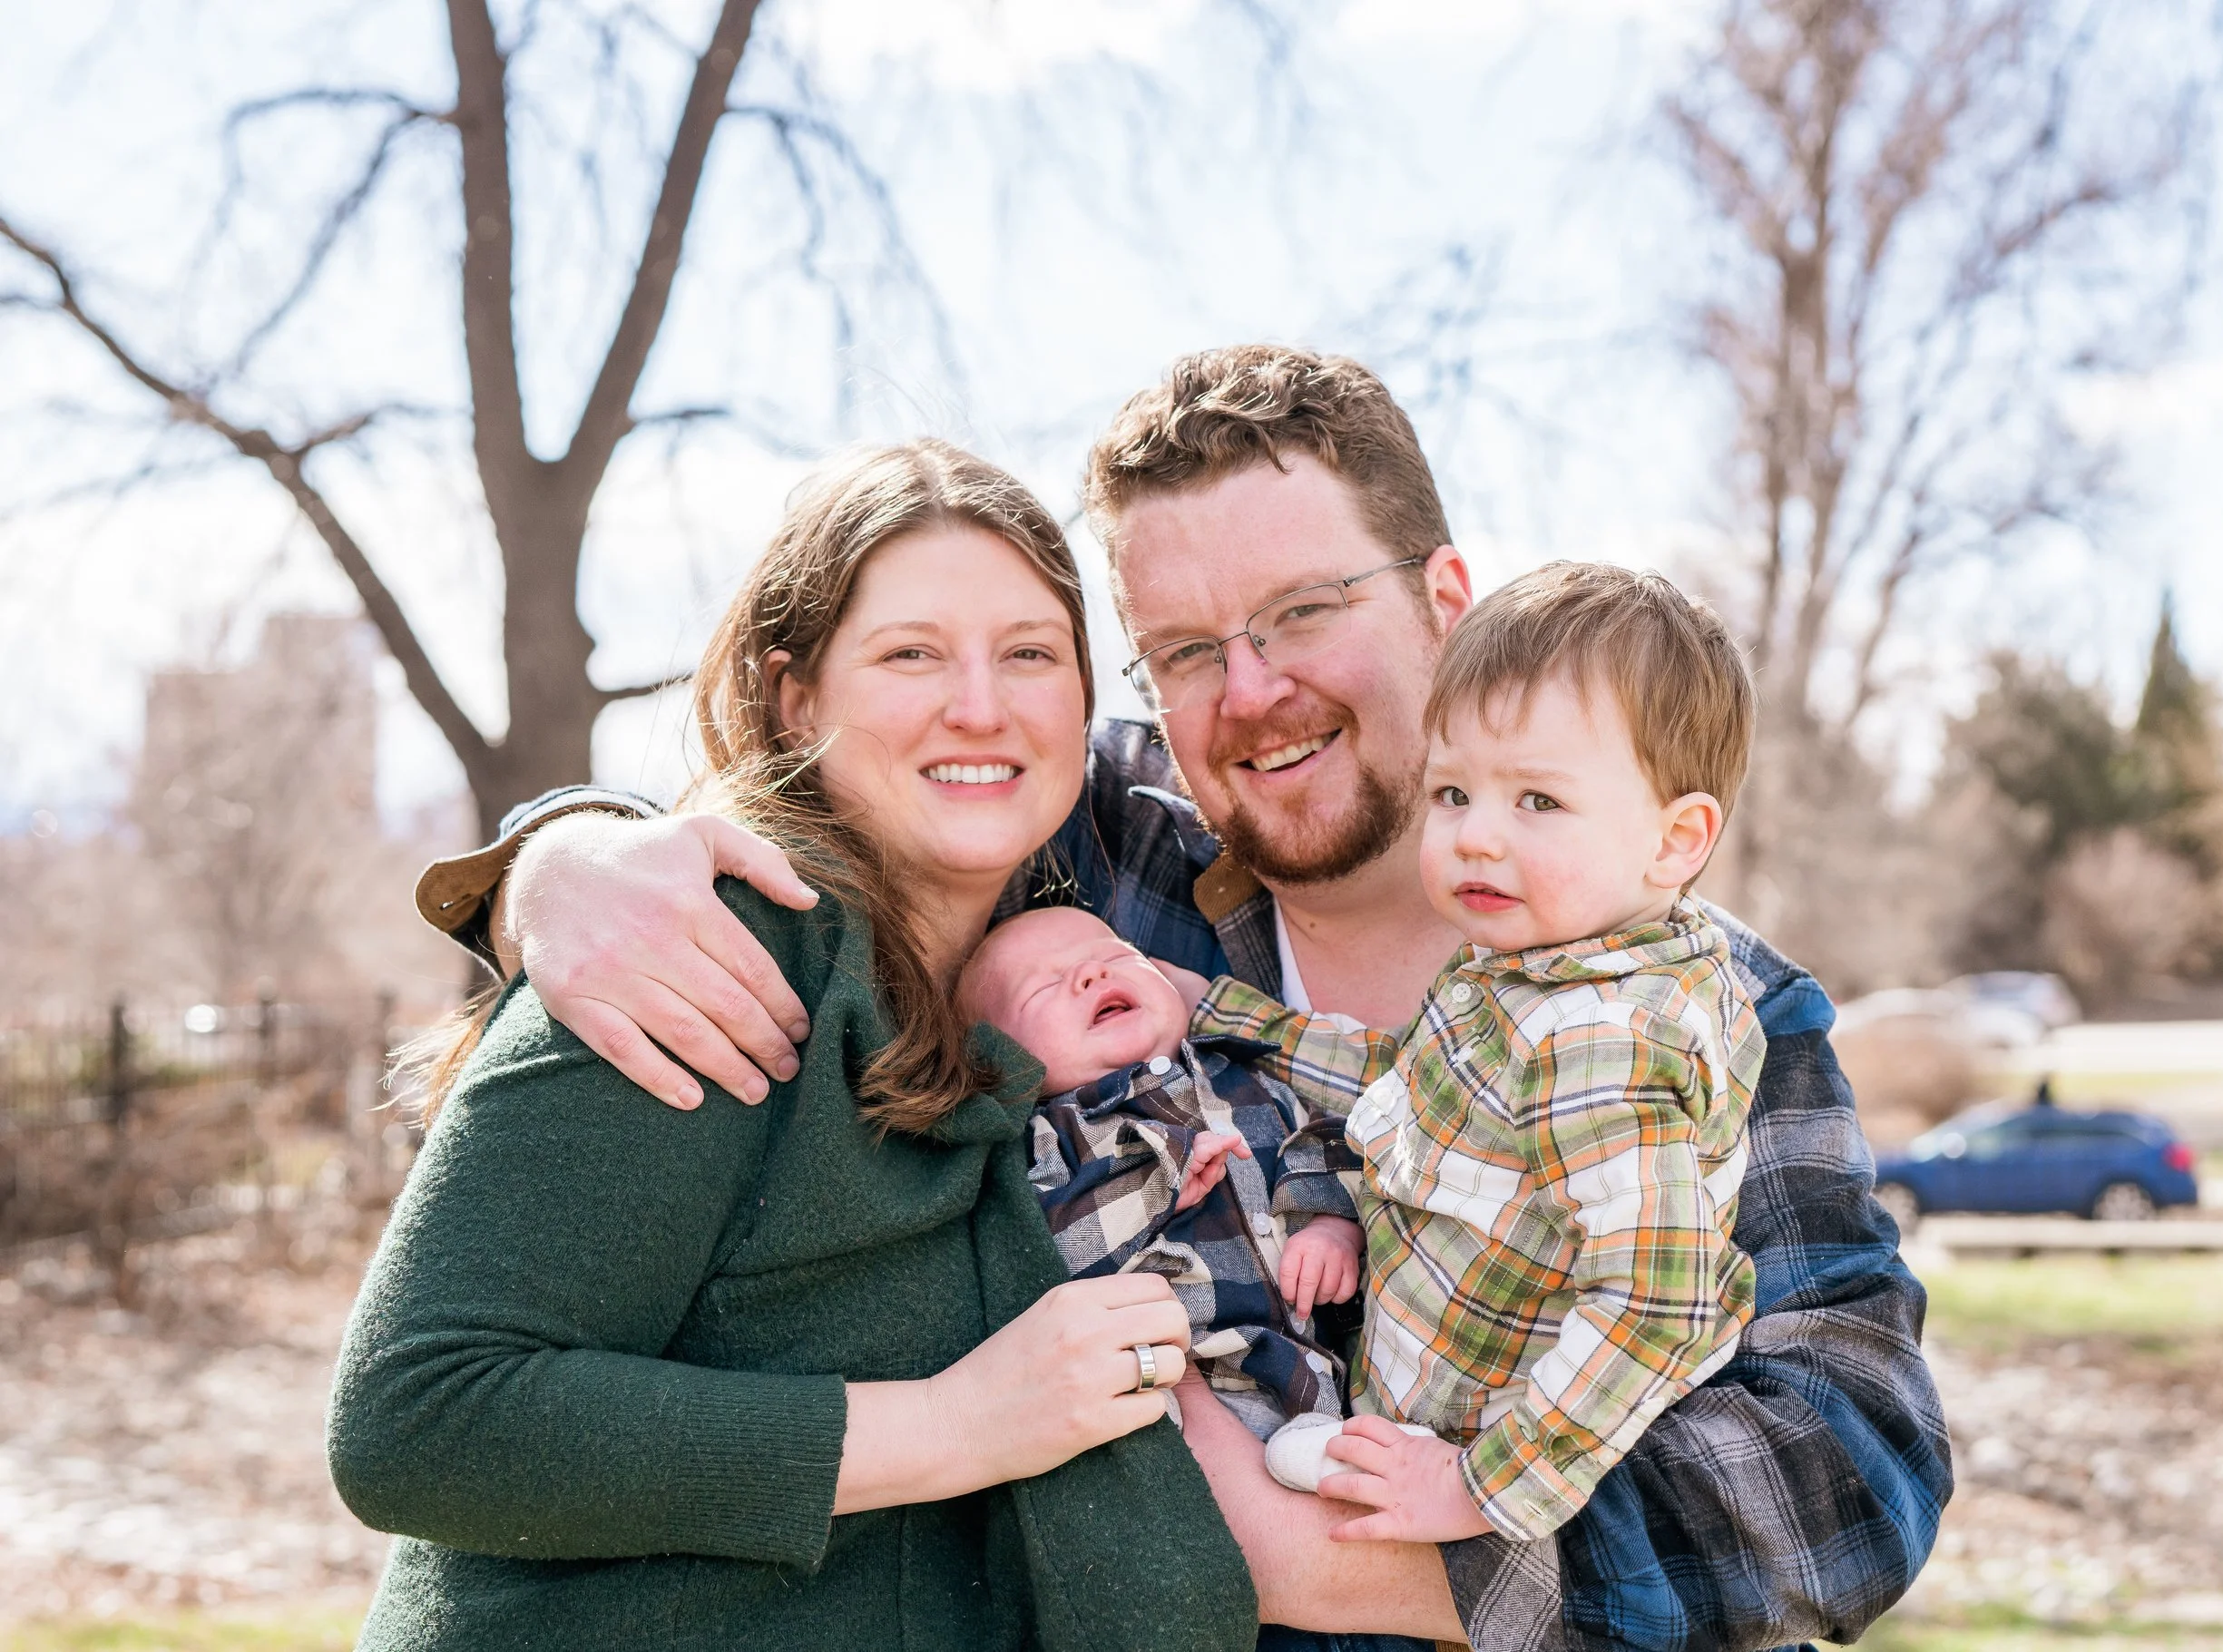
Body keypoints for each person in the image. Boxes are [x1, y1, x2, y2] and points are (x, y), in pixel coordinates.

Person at [415, 347, 1952, 1649]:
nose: (1251, 691)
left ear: (1445, 598)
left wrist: (1366, 1565)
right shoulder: (1096, 859)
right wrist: (561, 853)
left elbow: (1860, 1462)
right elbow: (859, 774)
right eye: (1184, 651)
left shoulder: (1701, 1001)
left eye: (1299, 613)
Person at [325, 442, 1277, 1650]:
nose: (979, 705)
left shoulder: (1067, 957)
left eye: (1030, 653)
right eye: (910, 653)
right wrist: (955, 1425)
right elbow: (422, 1416)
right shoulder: (707, 948)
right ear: (795, 697)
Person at [1192, 564, 1768, 1559]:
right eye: (1453, 793)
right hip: (1427, 1412)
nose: (1475, 839)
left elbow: (1656, 1300)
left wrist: (1480, 1488)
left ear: (1675, 840)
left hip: (1488, 1473)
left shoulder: (1600, 1037)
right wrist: (1217, 1012)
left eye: (1538, 801)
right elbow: (1413, 1083)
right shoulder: (1533, 971)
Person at [959, 905, 1368, 1440]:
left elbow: (1331, 1145)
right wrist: (1157, 1187)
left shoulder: (1244, 1077)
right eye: (1045, 987)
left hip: (1328, 1368)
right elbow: (1055, 1252)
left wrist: (1331, 1227)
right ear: (1000, 1064)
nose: (1092, 974)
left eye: (1115, 956)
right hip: (1194, 1383)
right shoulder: (1052, 1137)